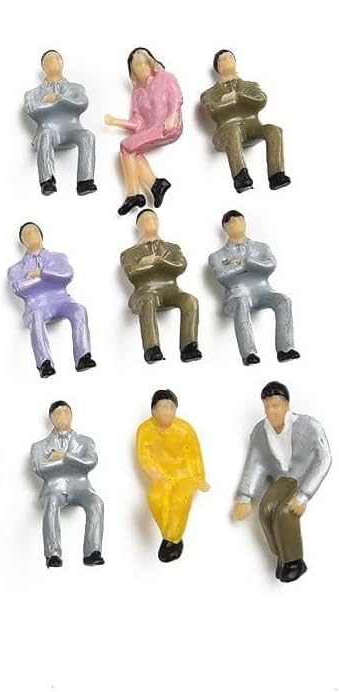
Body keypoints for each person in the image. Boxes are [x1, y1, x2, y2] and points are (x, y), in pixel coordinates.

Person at [232, 382, 332, 583]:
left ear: (286, 405)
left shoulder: (309, 426)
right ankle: (281, 555)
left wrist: (304, 496)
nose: (271, 411)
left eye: (276, 406)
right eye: (267, 406)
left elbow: (324, 458)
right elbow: (255, 462)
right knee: (266, 510)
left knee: (285, 513)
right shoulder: (260, 431)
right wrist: (245, 497)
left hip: (303, 476)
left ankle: (294, 561)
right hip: (282, 478)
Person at [208, 210, 298, 365]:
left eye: (240, 220)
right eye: (232, 222)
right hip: (237, 293)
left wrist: (241, 264)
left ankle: (285, 349)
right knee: (241, 302)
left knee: (283, 300)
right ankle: (248, 353)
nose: (237, 224)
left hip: (263, 291)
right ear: (225, 227)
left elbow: (270, 265)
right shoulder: (216, 256)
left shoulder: (262, 247)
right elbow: (223, 276)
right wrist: (249, 266)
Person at [7, 222, 95, 378]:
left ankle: (83, 356)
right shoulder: (16, 269)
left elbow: (66, 274)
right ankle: (44, 363)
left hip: (61, 300)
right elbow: (19, 287)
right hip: (36, 306)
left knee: (79, 310)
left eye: (34, 231)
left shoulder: (58, 257)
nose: (32, 235)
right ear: (23, 242)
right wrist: (49, 278)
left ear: (41, 235)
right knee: (36, 316)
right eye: (27, 234)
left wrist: (42, 273)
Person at [105, 47, 182, 215]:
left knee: (125, 145)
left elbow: (177, 97)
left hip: (168, 125)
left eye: (144, 63)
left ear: (151, 63)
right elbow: (137, 123)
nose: (141, 68)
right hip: (151, 130)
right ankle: (155, 185)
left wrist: (173, 115)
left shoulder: (165, 77)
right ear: (132, 72)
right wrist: (117, 122)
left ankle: (134, 194)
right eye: (137, 66)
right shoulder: (137, 94)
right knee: (133, 153)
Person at [200, 50, 290, 193]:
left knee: (274, 130)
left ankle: (276, 174)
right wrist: (231, 101)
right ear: (217, 67)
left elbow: (261, 100)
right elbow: (214, 110)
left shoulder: (250, 86)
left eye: (229, 58)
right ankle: (240, 176)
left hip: (252, 128)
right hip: (226, 132)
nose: (227, 62)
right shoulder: (209, 94)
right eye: (223, 60)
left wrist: (240, 97)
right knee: (234, 130)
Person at [136, 390, 208, 563]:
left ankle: (170, 539)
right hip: (161, 476)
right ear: (153, 410)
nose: (167, 411)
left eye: (171, 407)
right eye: (163, 407)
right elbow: (144, 455)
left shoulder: (185, 429)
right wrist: (153, 474)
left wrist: (199, 478)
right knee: (155, 498)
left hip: (185, 476)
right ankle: (173, 538)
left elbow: (194, 456)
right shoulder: (145, 429)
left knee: (180, 500)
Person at [120, 209, 201, 364]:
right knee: (148, 300)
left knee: (190, 300)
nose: (151, 223)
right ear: (139, 226)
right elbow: (131, 273)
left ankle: (188, 346)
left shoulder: (172, 247)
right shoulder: (128, 253)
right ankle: (152, 348)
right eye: (145, 220)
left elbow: (181, 265)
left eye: (153, 219)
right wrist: (145, 263)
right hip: (144, 291)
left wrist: (157, 261)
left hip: (171, 291)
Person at [30, 401, 104, 568]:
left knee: (96, 503)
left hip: (81, 487)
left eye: (66, 413)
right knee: (51, 501)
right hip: (54, 487)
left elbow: (90, 462)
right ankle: (53, 554)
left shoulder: (86, 442)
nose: (62, 417)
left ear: (71, 415)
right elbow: (40, 467)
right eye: (57, 414)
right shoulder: (39, 446)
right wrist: (74, 463)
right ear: (51, 418)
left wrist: (64, 457)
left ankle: (93, 551)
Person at [23, 50, 96, 196]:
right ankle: (47, 181)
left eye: (56, 59)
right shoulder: (32, 94)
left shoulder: (76, 88)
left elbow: (81, 103)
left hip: (72, 129)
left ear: (61, 63)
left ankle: (85, 181)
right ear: (43, 67)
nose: (53, 62)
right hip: (48, 129)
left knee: (88, 136)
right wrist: (48, 101)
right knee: (46, 134)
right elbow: (32, 110)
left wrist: (59, 99)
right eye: (48, 60)